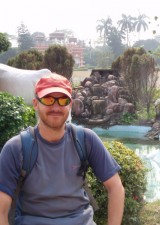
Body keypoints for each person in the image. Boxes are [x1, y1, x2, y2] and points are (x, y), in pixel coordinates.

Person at [0, 73, 125, 225]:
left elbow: (116, 187)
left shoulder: (85, 139)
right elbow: (1, 209)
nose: (56, 107)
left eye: (62, 100)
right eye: (48, 99)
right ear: (35, 103)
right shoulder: (16, 148)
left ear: (70, 104)